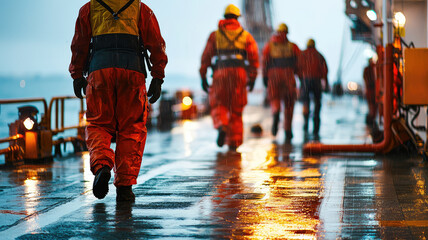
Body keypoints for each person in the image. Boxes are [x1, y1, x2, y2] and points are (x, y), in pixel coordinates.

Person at [69, 0, 168, 202]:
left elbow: (79, 46)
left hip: (99, 72)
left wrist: (77, 75)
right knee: (131, 129)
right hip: (132, 73)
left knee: (98, 124)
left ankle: (103, 165)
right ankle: (124, 186)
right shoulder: (141, 9)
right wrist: (157, 77)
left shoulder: (88, 9)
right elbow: (156, 45)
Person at [200, 4, 259, 151]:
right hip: (239, 74)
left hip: (221, 72)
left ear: (225, 17)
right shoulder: (245, 36)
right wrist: (252, 78)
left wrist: (203, 76)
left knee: (219, 104)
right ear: (237, 18)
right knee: (236, 108)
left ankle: (221, 125)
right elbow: (254, 59)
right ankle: (234, 142)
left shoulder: (215, 35)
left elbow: (206, 57)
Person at [262, 23, 301, 143]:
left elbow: (265, 62)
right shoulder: (293, 47)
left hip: (273, 75)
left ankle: (276, 112)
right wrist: (298, 75)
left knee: (275, 99)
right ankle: (288, 130)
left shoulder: (269, 46)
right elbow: (300, 62)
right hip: (288, 75)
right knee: (289, 103)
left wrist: (265, 76)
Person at [297, 38, 329, 139]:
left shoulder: (302, 55)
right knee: (317, 102)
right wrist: (326, 83)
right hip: (316, 81)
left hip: (305, 81)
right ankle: (316, 125)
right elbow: (324, 70)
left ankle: (306, 123)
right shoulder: (319, 55)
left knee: (306, 102)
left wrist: (301, 78)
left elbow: (297, 68)